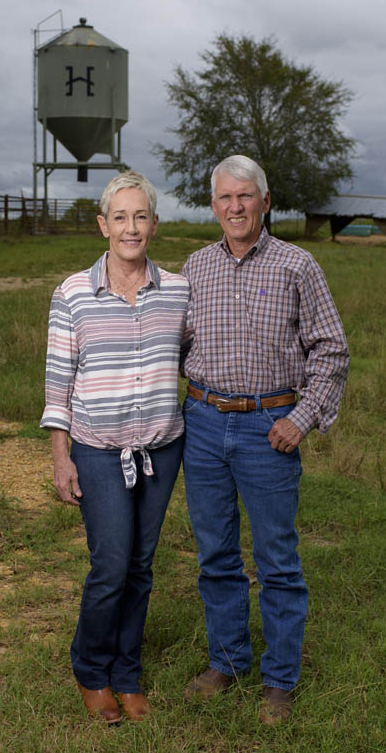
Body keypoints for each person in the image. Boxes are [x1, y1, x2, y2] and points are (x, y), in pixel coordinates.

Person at [180, 155, 349, 724]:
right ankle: (226, 662)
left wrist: (300, 420)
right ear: (213, 206)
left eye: (245, 197)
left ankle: (279, 680)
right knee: (216, 553)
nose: (235, 207)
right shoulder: (195, 267)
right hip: (203, 423)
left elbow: (331, 350)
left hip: (267, 429)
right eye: (225, 198)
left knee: (277, 559)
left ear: (265, 201)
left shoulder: (298, 265)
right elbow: (175, 344)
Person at [40, 171, 189, 724]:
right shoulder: (73, 293)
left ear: (154, 224)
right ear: (103, 225)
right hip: (99, 449)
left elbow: (191, 354)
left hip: (161, 447)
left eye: (141, 216)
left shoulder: (177, 291)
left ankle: (127, 672)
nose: (131, 227)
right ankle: (91, 667)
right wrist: (61, 457)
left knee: (142, 566)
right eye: (120, 217)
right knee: (111, 565)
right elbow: (59, 381)